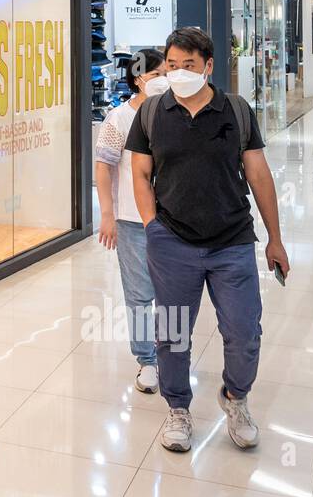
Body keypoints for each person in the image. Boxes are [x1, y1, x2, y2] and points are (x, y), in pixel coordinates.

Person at [125, 27, 289, 454]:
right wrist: (151, 226)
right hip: (173, 240)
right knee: (174, 333)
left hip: (232, 240)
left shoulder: (235, 110)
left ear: (209, 66)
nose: (179, 73)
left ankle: (235, 398)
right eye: (173, 65)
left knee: (243, 331)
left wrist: (275, 238)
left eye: (189, 66)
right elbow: (141, 175)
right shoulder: (151, 113)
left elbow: (258, 174)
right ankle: (178, 408)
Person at [93, 48, 167, 394]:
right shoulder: (118, 119)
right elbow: (103, 167)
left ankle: (172, 353)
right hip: (132, 219)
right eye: (158, 75)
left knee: (175, 292)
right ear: (139, 79)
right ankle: (147, 360)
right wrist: (107, 214)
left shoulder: (176, 114)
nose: (165, 81)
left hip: (174, 219)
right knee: (139, 293)